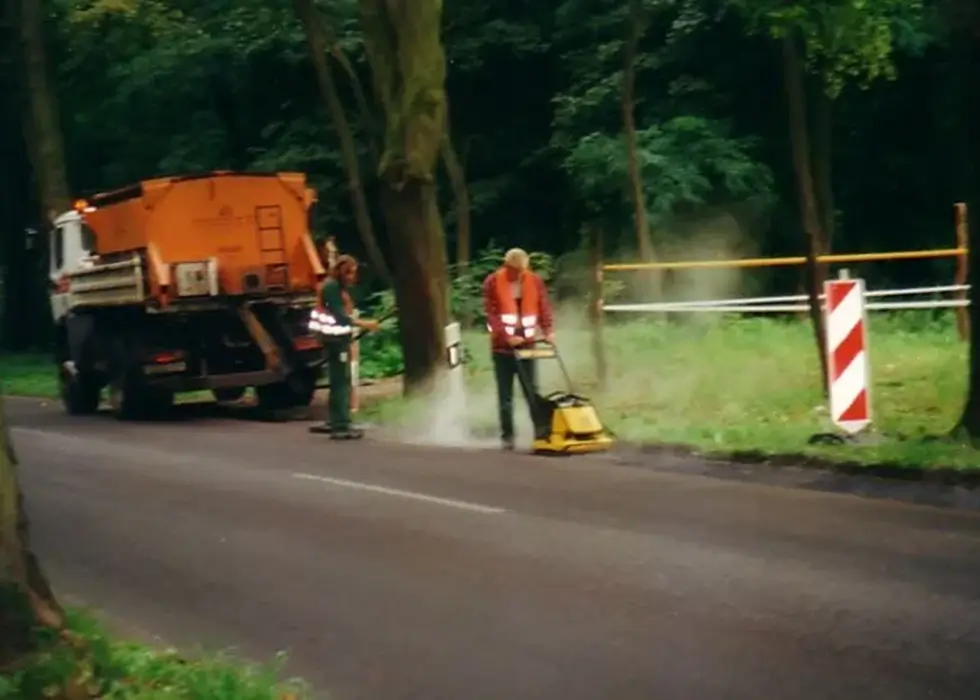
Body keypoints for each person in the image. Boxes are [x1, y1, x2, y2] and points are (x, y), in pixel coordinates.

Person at [482, 248, 555, 450]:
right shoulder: (492, 282)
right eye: (516, 270)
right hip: (502, 350)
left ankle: (541, 433)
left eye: (523, 270)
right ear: (507, 266)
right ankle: (508, 437)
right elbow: (492, 316)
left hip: (528, 346)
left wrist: (548, 331)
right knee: (505, 396)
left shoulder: (534, 281)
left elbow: (543, 306)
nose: (520, 274)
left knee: (532, 391)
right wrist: (507, 337)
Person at [308, 254, 379, 439]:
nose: (352, 277)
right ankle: (341, 424)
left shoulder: (333, 286)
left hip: (334, 339)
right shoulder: (331, 288)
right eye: (350, 273)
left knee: (338, 380)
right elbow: (340, 317)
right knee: (341, 382)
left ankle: (335, 420)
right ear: (341, 271)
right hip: (336, 341)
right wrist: (365, 324)